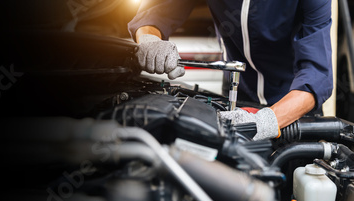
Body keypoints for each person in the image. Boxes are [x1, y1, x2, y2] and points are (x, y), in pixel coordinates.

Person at [129, 0, 333, 140]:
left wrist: (265, 120)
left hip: (293, 112)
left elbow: (317, 74)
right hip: (237, 104)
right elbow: (158, 10)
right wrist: (149, 39)